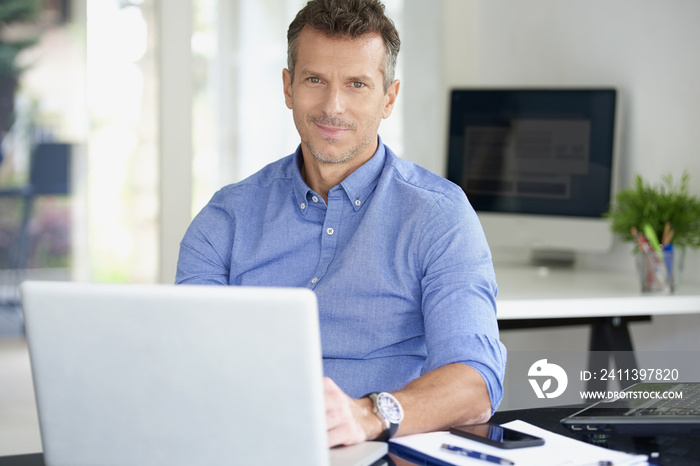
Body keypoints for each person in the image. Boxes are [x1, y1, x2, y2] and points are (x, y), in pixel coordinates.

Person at [176, 0, 506, 448]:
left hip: (385, 450)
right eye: (315, 80)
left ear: (388, 97)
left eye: (357, 84)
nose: (333, 106)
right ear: (288, 87)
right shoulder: (225, 219)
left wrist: (369, 415)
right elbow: (189, 366)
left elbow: (476, 384)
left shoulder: (439, 216)